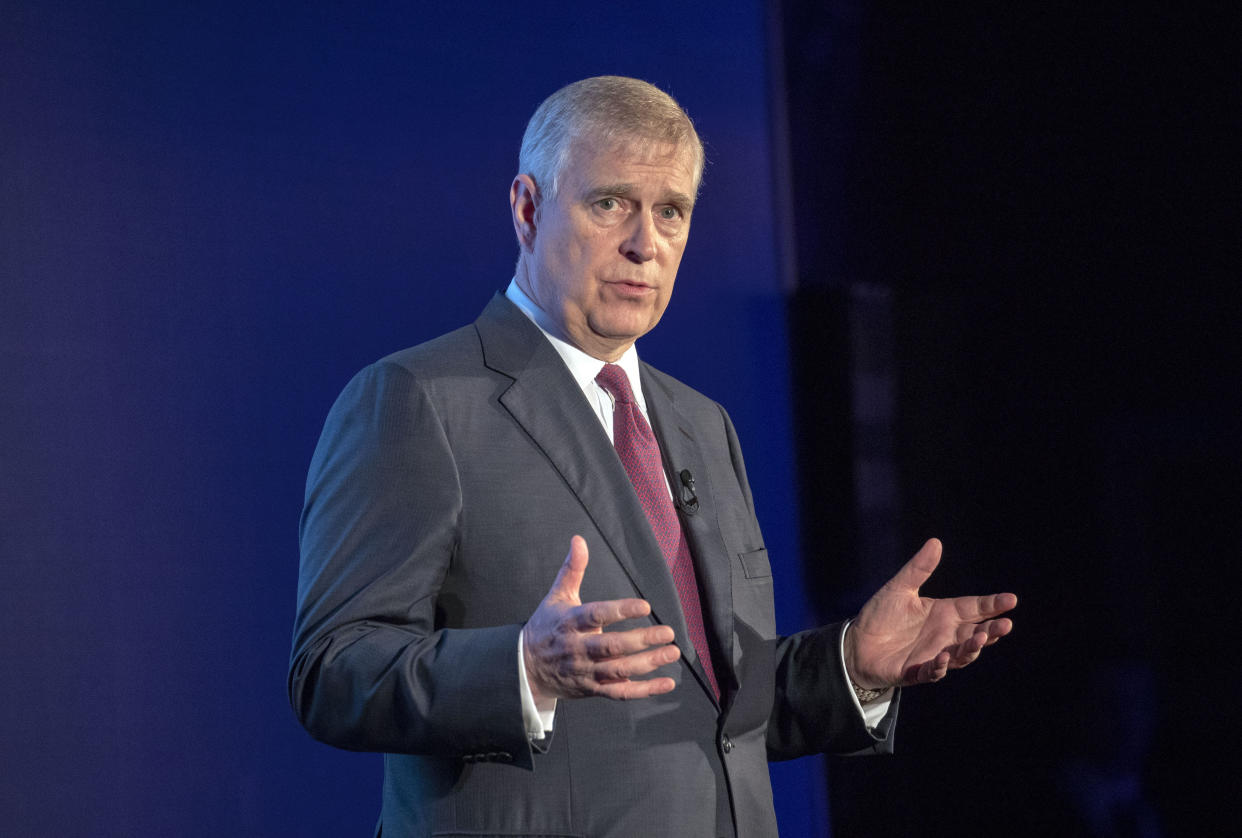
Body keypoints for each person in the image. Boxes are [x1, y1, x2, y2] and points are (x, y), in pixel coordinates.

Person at [289, 75, 1016, 838]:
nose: (645, 243)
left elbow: (716, 707)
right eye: (610, 204)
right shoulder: (418, 400)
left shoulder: (702, 424)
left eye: (670, 211)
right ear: (528, 209)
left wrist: (851, 665)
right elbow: (332, 671)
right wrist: (524, 672)